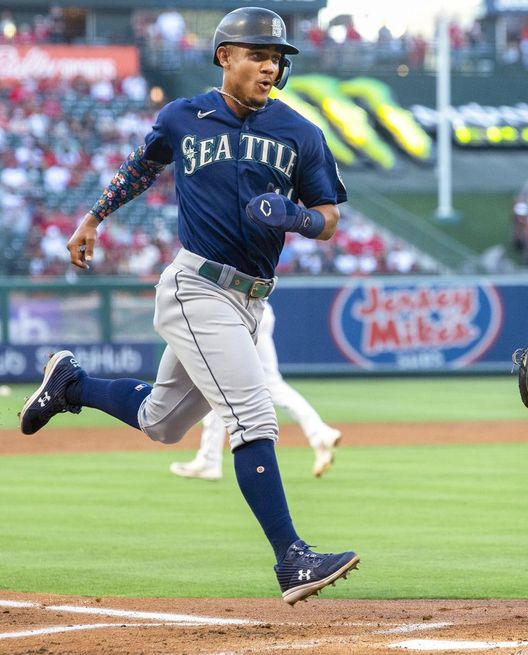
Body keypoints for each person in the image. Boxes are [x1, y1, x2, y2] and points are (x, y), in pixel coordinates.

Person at [18, 7, 358, 606]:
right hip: (197, 287)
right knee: (254, 416)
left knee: (162, 422)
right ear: (224, 56)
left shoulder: (300, 132)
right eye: (258, 54)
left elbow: (330, 216)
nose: (270, 66)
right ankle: (292, 559)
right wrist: (94, 217)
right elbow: (141, 168)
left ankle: (70, 385)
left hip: (250, 300)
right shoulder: (183, 117)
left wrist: (301, 218)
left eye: (277, 58)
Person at [170, 301, 342, 481]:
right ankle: (320, 433)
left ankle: (209, 459)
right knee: (267, 384)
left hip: (235, 313)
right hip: (256, 307)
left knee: (216, 381)